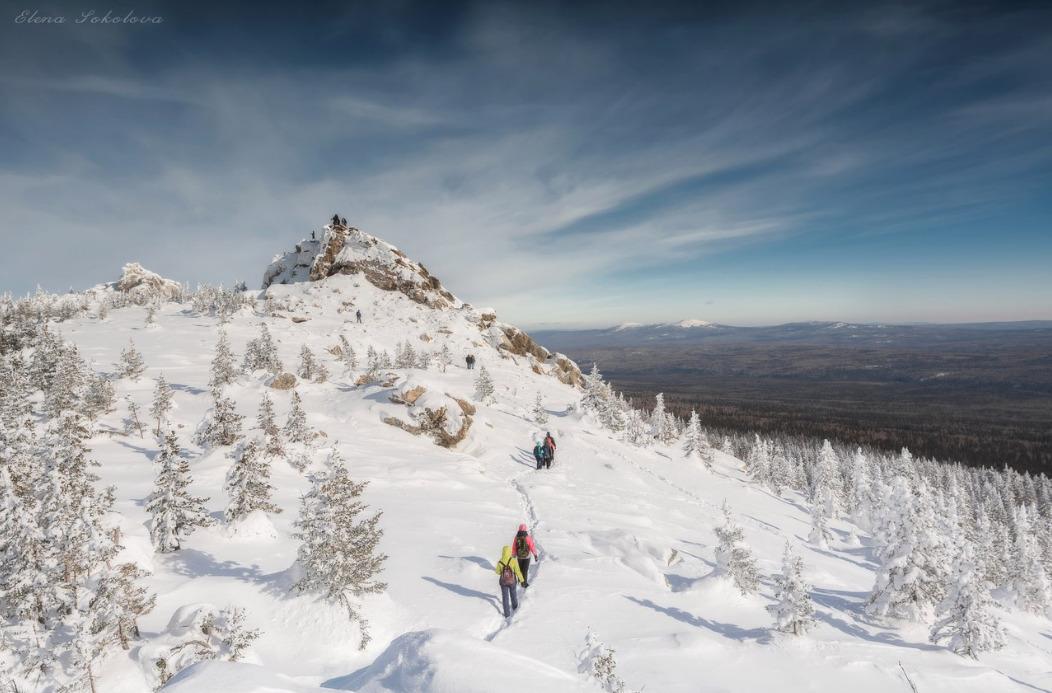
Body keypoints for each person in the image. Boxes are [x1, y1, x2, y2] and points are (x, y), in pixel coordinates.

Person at [495, 545, 525, 619]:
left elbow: (497, 572)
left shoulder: (500, 561)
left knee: (505, 597)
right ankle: (515, 608)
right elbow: (517, 571)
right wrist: (522, 580)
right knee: (513, 594)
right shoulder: (513, 560)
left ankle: (507, 614)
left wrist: (503, 572)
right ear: (510, 552)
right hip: (512, 581)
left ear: (503, 552)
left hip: (503, 582)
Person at [511, 523, 538, 588]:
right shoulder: (528, 537)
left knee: (519, 569)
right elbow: (532, 546)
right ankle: (524, 583)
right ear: (525, 529)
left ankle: (520, 581)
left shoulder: (516, 537)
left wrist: (514, 554)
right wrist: (535, 555)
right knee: (525, 570)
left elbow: (514, 546)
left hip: (519, 556)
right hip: (527, 556)